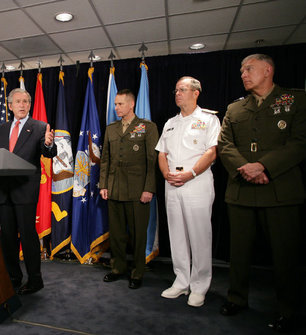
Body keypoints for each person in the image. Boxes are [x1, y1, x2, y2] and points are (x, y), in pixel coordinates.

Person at [218, 54, 306, 332]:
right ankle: (237, 299)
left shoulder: (296, 101)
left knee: (284, 255)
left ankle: (287, 309)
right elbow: (225, 144)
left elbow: (300, 143)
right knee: (239, 252)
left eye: (249, 69)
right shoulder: (235, 109)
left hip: (279, 190)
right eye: (242, 70)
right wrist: (245, 167)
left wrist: (263, 165)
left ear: (268, 70)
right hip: (241, 189)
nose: (243, 74)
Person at [155, 77, 220, 307]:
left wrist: (190, 174)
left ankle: (200, 286)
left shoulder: (209, 119)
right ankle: (181, 281)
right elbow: (161, 153)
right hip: (172, 183)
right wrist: (165, 174)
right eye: (176, 90)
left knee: (200, 236)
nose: (177, 93)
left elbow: (212, 152)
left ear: (196, 93)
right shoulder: (170, 122)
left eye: (182, 90)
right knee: (177, 234)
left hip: (196, 183)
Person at [0, 88, 56, 295]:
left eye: (26, 101)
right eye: (18, 101)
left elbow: (48, 152)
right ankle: (13, 277)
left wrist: (48, 144)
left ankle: (35, 280)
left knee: (27, 236)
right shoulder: (0, 129)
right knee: (7, 237)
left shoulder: (40, 127)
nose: (22, 105)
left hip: (25, 189)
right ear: (10, 106)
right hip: (3, 190)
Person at [99, 89, 158, 289]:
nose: (116, 108)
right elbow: (105, 159)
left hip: (137, 189)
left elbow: (152, 161)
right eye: (115, 104)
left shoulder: (147, 128)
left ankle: (137, 272)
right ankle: (117, 268)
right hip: (114, 187)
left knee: (138, 234)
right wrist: (104, 185)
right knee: (116, 234)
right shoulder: (111, 129)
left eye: (120, 104)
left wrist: (149, 188)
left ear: (131, 104)